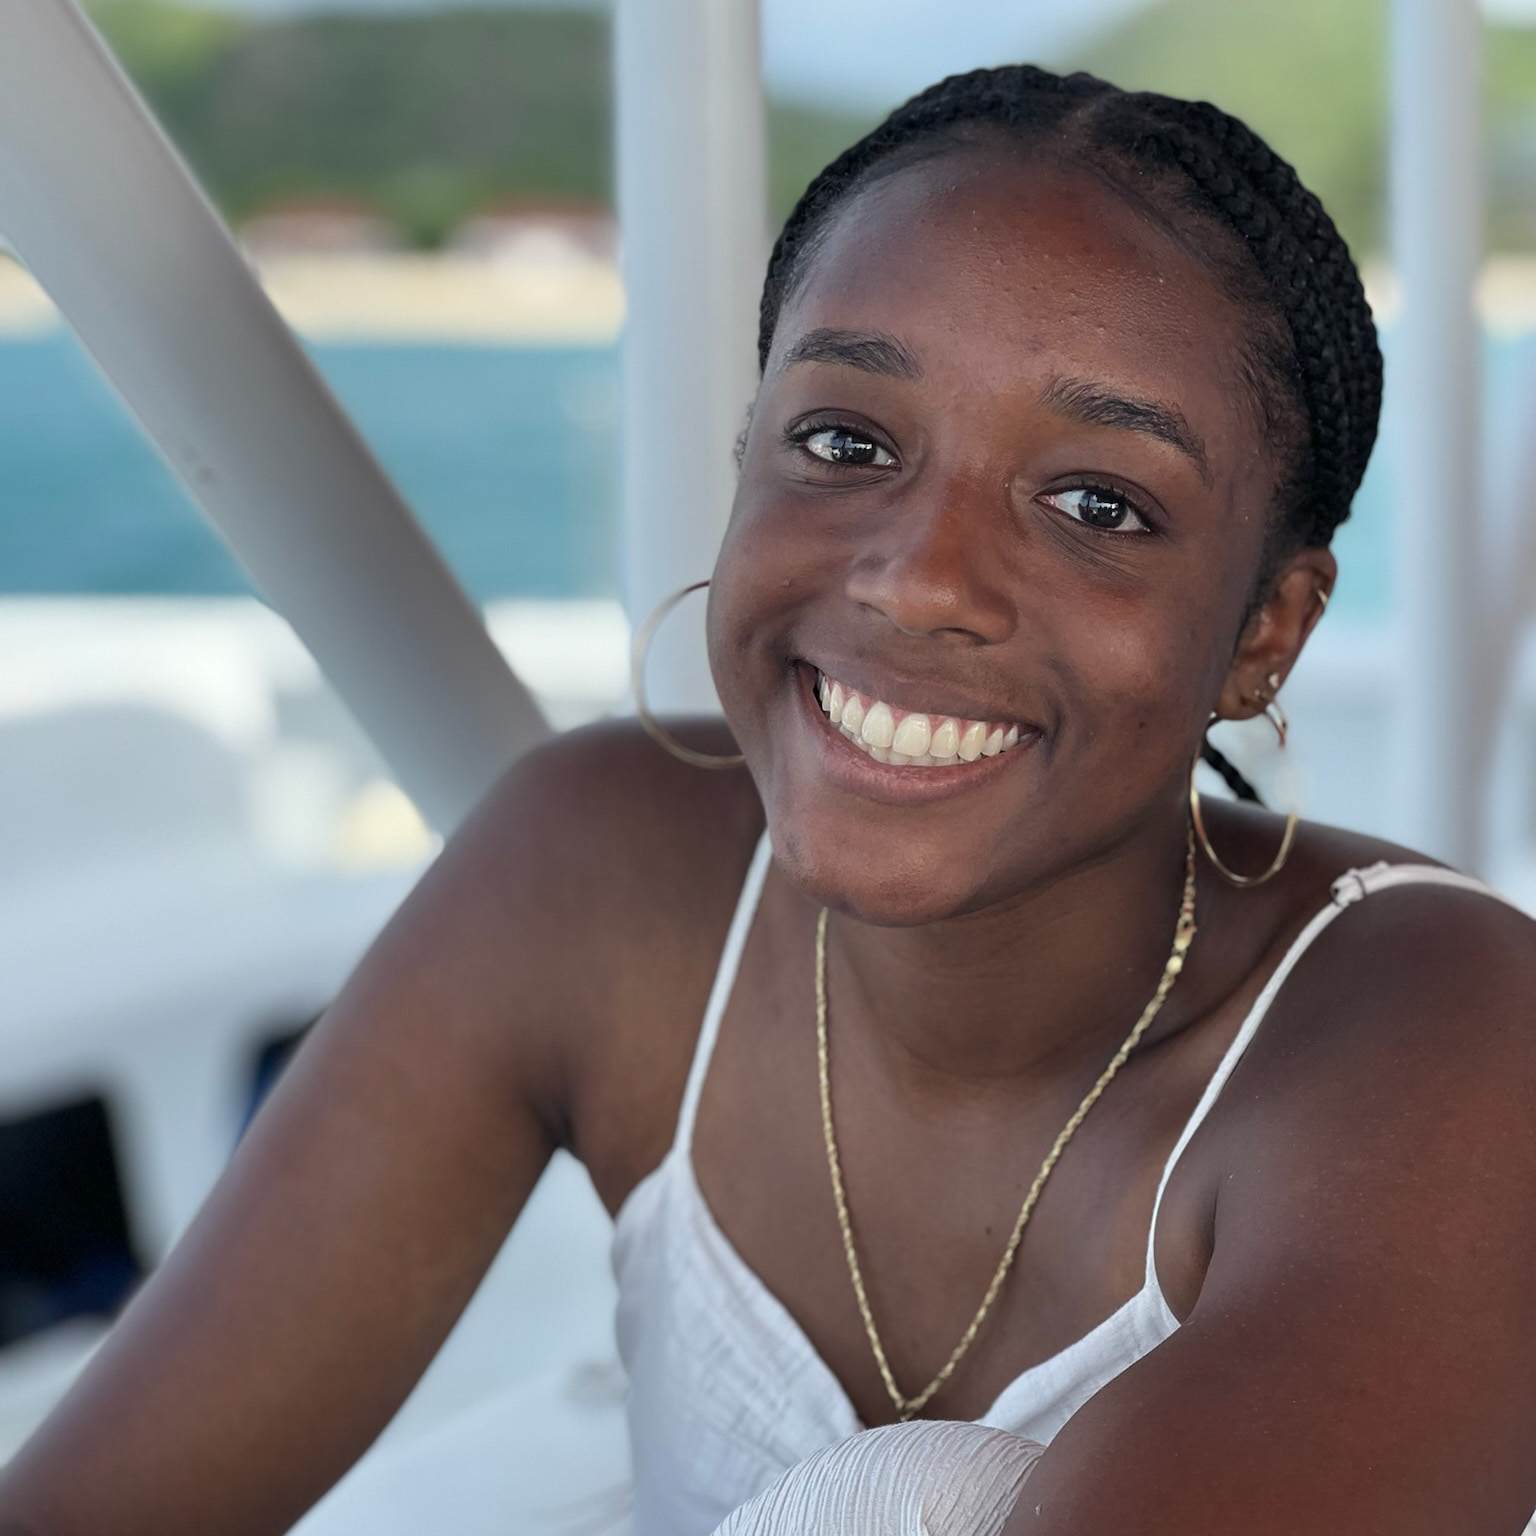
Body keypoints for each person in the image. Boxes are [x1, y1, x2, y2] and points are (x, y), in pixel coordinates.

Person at [2, 61, 1534, 1536]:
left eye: (1097, 505)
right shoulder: (594, 877)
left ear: (1266, 631)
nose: (920, 577)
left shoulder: (1443, 1048)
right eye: (846, 441)